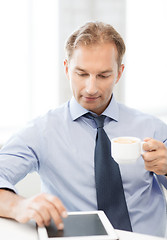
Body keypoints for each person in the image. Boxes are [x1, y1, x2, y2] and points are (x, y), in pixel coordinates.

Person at [0, 21, 167, 237]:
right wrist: (18, 206)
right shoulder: (41, 132)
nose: (91, 88)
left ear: (119, 73)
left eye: (103, 75)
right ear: (67, 69)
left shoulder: (152, 128)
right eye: (81, 73)